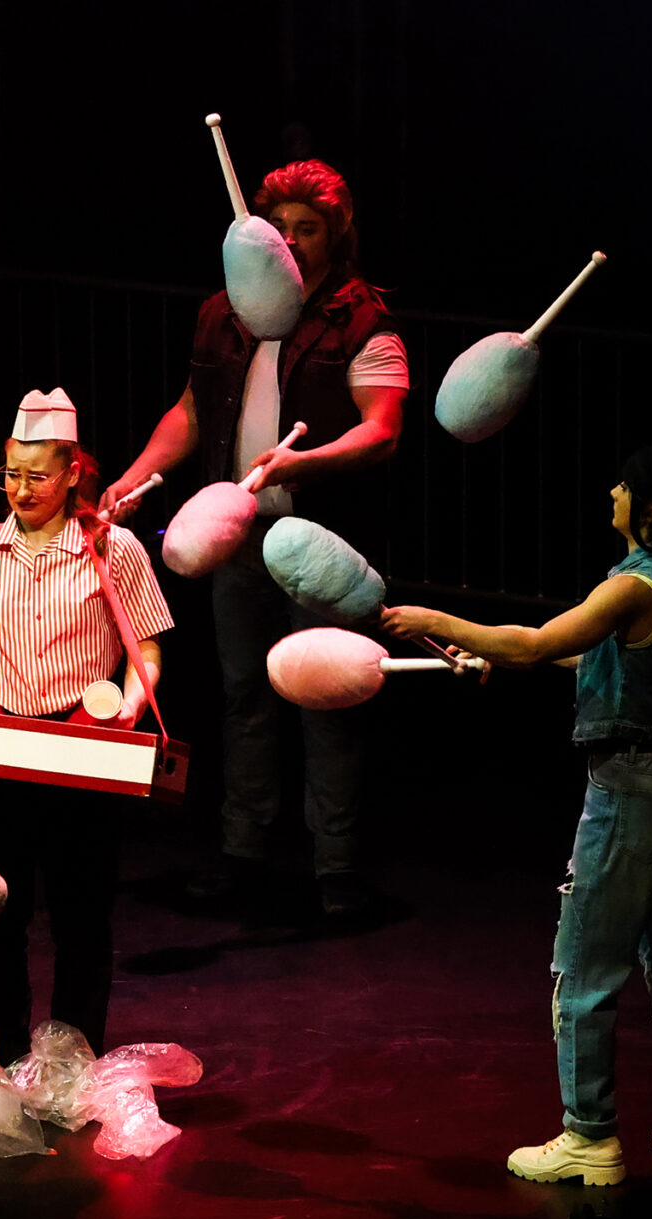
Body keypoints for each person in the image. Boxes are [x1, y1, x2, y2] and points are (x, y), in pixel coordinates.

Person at [379, 445, 652, 1185]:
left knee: (584, 968)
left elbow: (541, 639)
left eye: (625, 484)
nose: (611, 488)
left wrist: (435, 616)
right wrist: (496, 656)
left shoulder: (636, 586)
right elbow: (584, 657)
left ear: (650, 510)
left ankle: (590, 1135)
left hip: (633, 792)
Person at [101, 159, 408, 919]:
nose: (294, 244)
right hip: (236, 533)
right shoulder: (226, 313)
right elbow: (191, 411)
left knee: (322, 695)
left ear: (336, 238)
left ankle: (334, 866)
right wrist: (137, 476)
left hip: (319, 540)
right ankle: (242, 850)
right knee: (242, 693)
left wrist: (309, 461)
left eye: (309, 231)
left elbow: (383, 429)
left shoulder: (361, 321)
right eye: (284, 230)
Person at [0, 388, 176, 1063]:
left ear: (73, 473)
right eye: (10, 475)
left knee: (82, 919)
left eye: (37, 476)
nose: (21, 491)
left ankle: (73, 1064)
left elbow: (146, 646)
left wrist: (142, 694)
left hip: (82, 751)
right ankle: (0, 1059)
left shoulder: (115, 550)